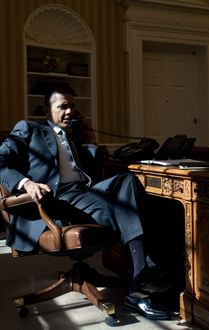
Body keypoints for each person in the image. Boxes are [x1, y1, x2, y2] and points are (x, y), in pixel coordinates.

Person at [0, 86, 172, 320]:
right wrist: (27, 183)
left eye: (72, 105)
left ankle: (146, 274)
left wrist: (90, 139)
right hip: (57, 199)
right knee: (129, 211)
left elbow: (89, 173)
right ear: (47, 110)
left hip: (85, 193)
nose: (70, 111)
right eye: (63, 106)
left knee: (127, 183)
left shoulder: (73, 135)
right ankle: (141, 286)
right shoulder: (29, 129)